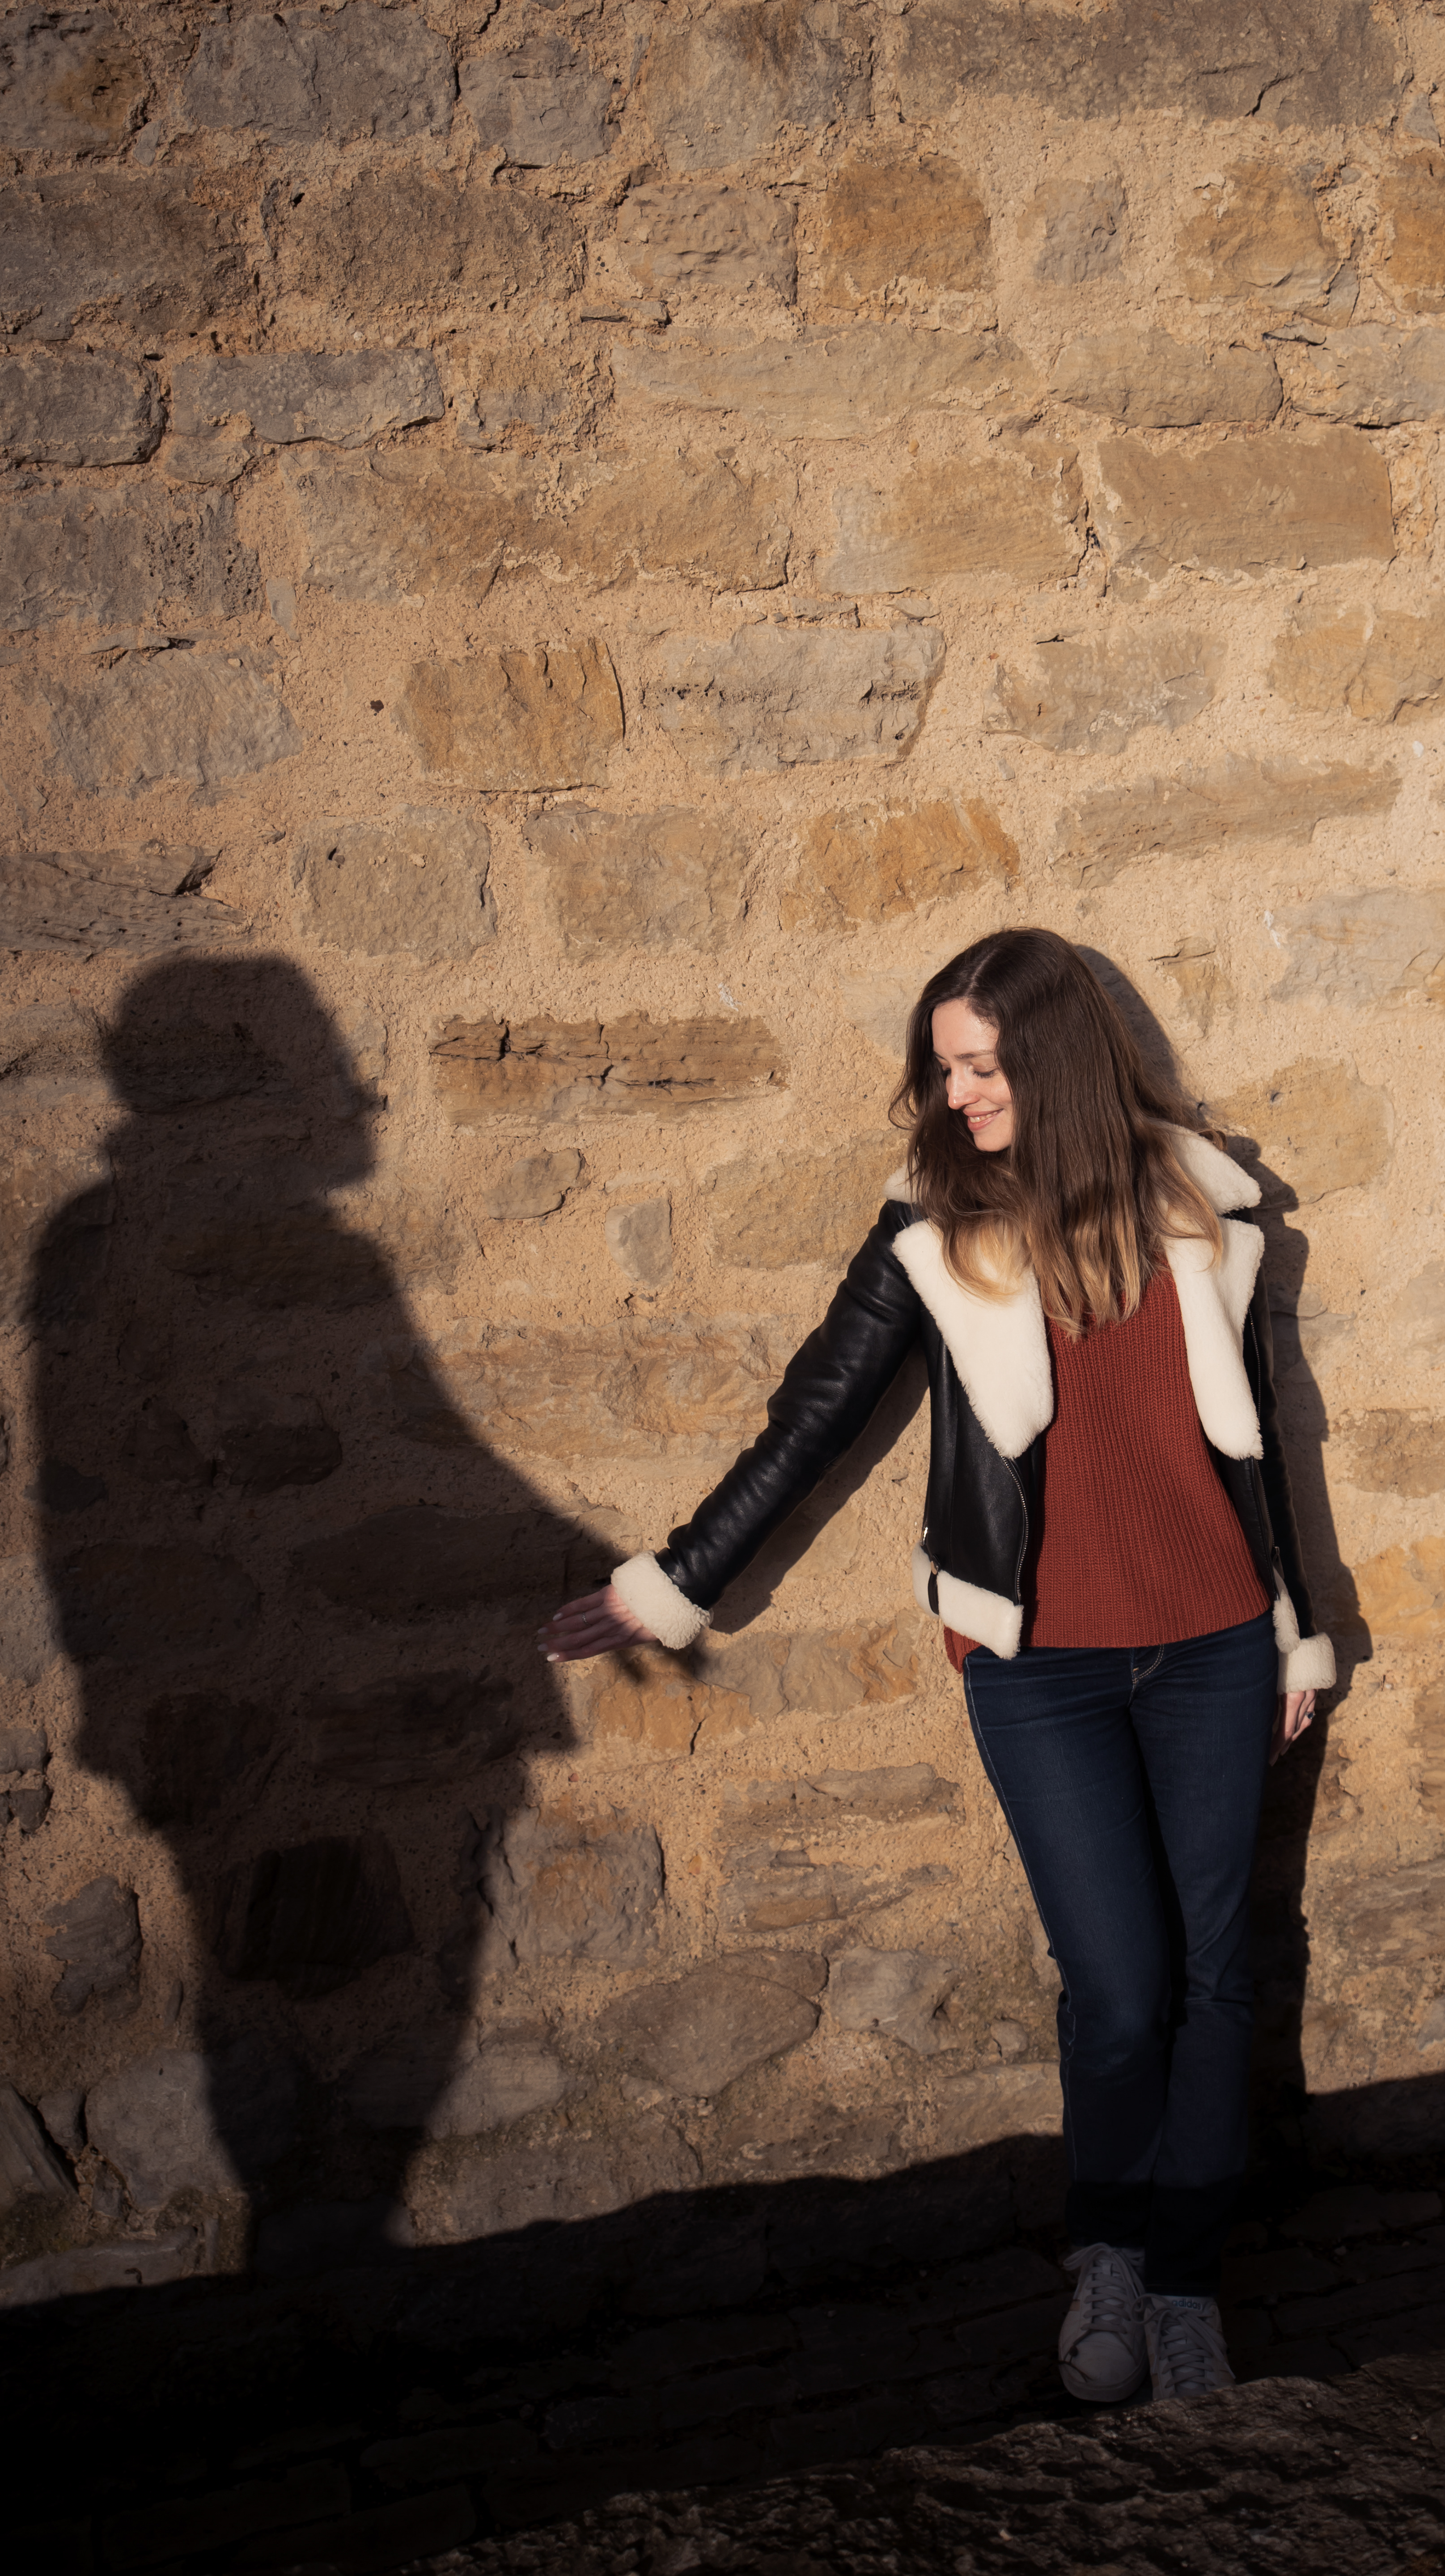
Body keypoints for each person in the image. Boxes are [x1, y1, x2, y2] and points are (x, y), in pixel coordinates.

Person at [540, 928, 1332, 2407]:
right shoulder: (933, 1223)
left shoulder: (1195, 1203)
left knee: (1222, 1979)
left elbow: (1261, 1438)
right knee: (1117, 1985)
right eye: (945, 1069)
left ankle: (1185, 2286)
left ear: (1056, 1056)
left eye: (982, 1065)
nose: (959, 1095)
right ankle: (1103, 2250)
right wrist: (675, 1585)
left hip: (1219, 1644)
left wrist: (1297, 1625)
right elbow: (817, 1412)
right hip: (1041, 1670)